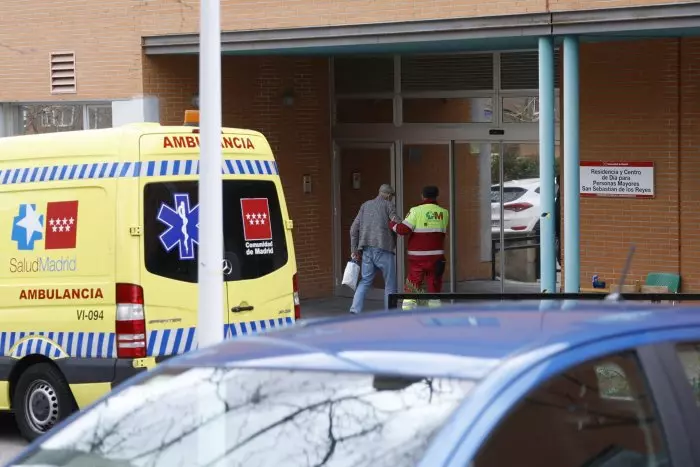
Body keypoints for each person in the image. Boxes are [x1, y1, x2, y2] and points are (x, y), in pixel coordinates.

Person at [389, 185, 449, 310]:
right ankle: (435, 316)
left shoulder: (416, 211)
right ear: (436, 196)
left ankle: (407, 313)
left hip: (418, 257)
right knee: (434, 287)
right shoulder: (444, 213)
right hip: (436, 257)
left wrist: (392, 224)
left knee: (413, 285)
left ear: (422, 196)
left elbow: (403, 230)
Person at [349, 184, 400, 314]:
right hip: (383, 248)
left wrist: (354, 249)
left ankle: (355, 309)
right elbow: (397, 223)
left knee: (365, 281)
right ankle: (390, 313)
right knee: (390, 284)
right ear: (389, 196)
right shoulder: (388, 205)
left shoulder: (365, 205)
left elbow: (353, 229)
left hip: (366, 250)